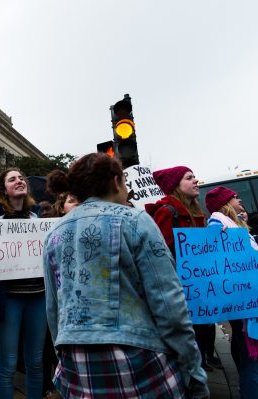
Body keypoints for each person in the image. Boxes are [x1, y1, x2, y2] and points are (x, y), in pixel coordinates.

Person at [43, 153, 208, 399]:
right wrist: (193, 370)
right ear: (116, 181)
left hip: (76, 362)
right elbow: (168, 303)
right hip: (138, 359)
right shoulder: (136, 220)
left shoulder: (53, 234)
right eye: (126, 183)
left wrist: (64, 353)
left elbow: (53, 307)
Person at [0, 168, 46, 399]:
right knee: (8, 363)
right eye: (12, 179)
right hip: (8, 299)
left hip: (38, 296)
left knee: (36, 361)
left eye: (21, 178)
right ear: (3, 190)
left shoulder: (38, 217)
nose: (19, 181)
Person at [144, 166, 216, 372]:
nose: (196, 180)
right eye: (189, 177)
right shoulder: (167, 213)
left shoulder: (196, 212)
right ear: (176, 185)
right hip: (181, 295)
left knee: (200, 342)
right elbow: (159, 257)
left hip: (199, 292)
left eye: (194, 176)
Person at [204, 186, 258, 398]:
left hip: (248, 298)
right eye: (235, 197)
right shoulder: (218, 224)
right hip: (244, 302)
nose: (239, 199)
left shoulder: (234, 225)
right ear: (225, 204)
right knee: (250, 361)